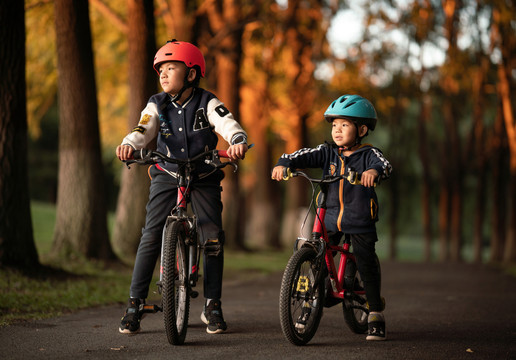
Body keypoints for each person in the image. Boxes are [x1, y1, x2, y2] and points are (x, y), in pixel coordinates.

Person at [116, 40, 248, 335]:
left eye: (171, 68)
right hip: (168, 171)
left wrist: (237, 141)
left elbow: (227, 124)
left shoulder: (207, 102)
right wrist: (129, 144)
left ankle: (212, 303)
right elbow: (144, 128)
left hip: (204, 172)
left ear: (191, 74)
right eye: (160, 69)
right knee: (151, 234)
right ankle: (135, 303)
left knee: (212, 237)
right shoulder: (157, 103)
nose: (163, 74)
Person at [271, 94, 392, 341]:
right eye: (334, 125)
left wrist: (372, 172)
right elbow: (300, 155)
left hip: (360, 219)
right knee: (315, 257)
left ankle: (375, 313)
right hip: (329, 216)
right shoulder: (327, 152)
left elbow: (385, 165)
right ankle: (308, 306)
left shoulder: (369, 154)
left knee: (365, 260)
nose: (337, 130)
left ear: (362, 129)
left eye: (344, 125)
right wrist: (284, 163)